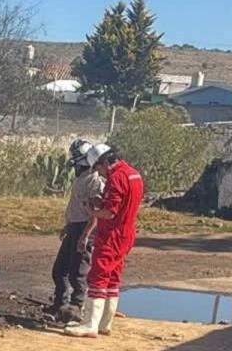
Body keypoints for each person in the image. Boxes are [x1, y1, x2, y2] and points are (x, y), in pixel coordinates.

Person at [65, 144, 143, 338]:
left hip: (111, 235)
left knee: (98, 277)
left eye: (99, 168)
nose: (100, 173)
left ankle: (89, 324)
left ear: (106, 162)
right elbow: (122, 203)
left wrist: (92, 211)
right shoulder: (133, 174)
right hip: (126, 233)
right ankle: (105, 323)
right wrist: (100, 202)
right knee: (113, 278)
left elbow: (110, 212)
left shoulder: (116, 177)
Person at [47, 139, 104, 320]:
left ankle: (76, 308)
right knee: (59, 270)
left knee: (78, 272)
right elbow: (76, 207)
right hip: (74, 227)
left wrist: (86, 235)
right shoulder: (80, 179)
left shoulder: (95, 182)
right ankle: (60, 304)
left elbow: (95, 213)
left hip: (84, 229)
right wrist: (68, 226)